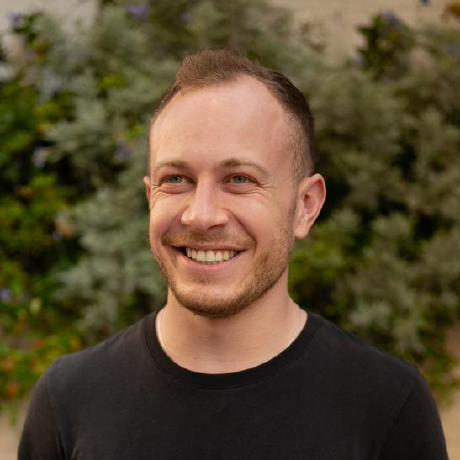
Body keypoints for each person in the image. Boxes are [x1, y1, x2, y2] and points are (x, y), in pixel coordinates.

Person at [19, 49, 448, 460]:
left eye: (239, 179)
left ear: (306, 206)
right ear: (151, 197)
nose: (201, 215)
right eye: (177, 179)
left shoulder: (387, 405)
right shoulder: (68, 398)